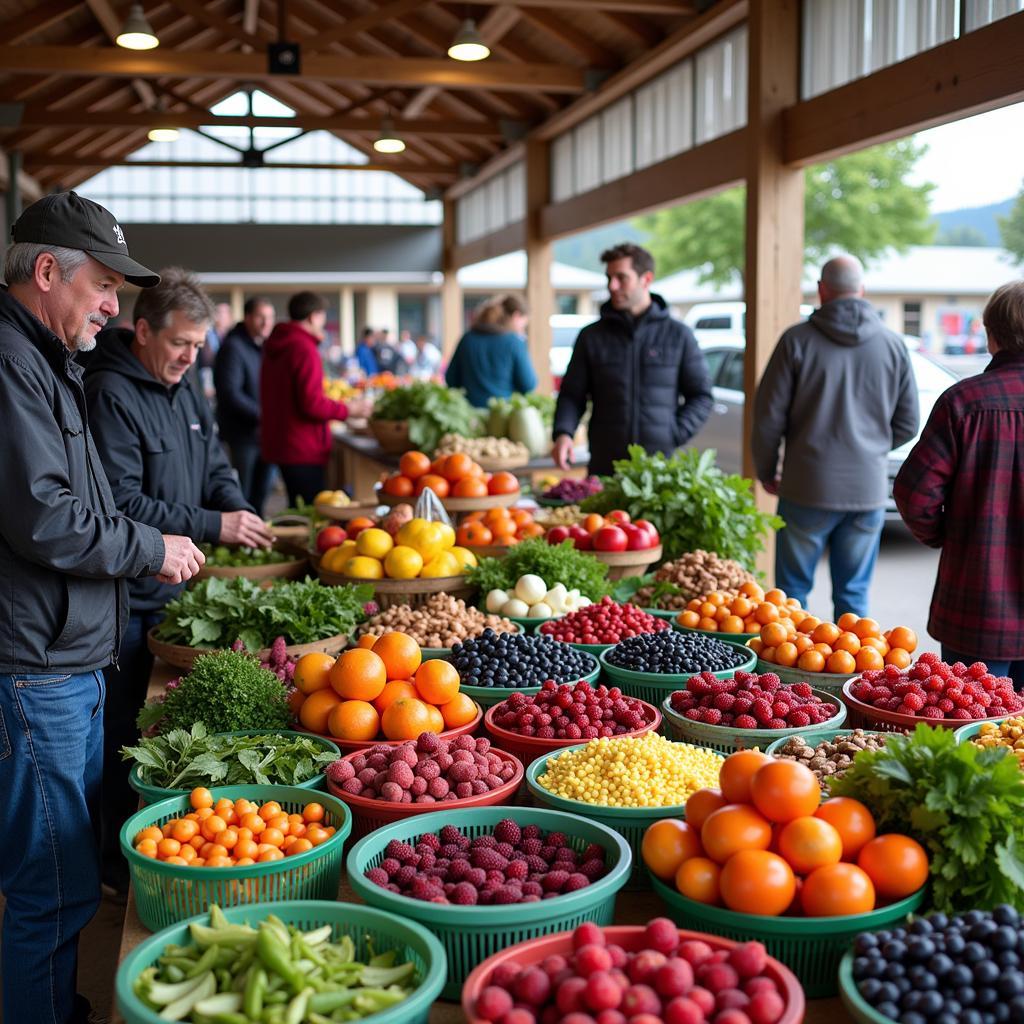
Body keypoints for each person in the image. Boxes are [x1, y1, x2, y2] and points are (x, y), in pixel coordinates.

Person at [0, 191, 205, 1024]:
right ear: (47, 272)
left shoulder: (46, 360)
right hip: (33, 668)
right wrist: (151, 547)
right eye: (105, 287)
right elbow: (47, 516)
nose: (117, 307)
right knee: (49, 890)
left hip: (68, 656)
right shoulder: (9, 365)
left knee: (66, 878)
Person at [85, 267, 271, 895]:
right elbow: (122, 503)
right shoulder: (111, 392)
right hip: (127, 599)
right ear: (142, 330)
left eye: (199, 347)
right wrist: (215, 522)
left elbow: (215, 462)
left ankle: (136, 845)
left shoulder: (187, 386)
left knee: (152, 734)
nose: (191, 358)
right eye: (179, 344)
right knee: (122, 737)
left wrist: (236, 509)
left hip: (179, 593)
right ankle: (112, 870)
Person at [753, 254, 919, 619]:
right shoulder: (893, 345)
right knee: (854, 597)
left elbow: (768, 418)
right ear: (862, 290)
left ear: (821, 291)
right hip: (866, 491)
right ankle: (850, 676)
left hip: (806, 486)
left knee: (792, 598)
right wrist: (870, 448)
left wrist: (766, 470)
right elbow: (908, 423)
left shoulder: (795, 341)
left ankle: (791, 676)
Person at [895, 281, 1024, 689]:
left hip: (979, 607)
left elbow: (914, 495)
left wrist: (952, 536)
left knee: (972, 738)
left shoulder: (963, 403)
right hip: (980, 611)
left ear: (990, 335)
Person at [552, 243, 712, 476]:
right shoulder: (591, 336)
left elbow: (701, 396)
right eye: (609, 278)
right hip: (605, 466)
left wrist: (673, 433)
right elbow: (571, 395)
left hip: (658, 469)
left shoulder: (678, 335)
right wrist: (564, 433)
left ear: (646, 279)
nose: (612, 286)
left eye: (621, 278)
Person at [261, 291, 371, 504]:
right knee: (311, 513)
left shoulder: (278, 344)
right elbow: (312, 404)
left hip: (282, 442)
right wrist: (350, 410)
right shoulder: (303, 348)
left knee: (296, 506)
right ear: (313, 316)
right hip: (303, 447)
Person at [214, 296, 276, 513]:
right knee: (243, 496)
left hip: (265, 433)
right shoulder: (233, 347)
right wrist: (264, 415)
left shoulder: (264, 347)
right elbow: (230, 393)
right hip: (243, 435)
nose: (266, 322)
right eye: (261, 317)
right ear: (248, 318)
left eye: (270, 317)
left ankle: (257, 537)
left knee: (262, 494)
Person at [446, 294, 537, 408]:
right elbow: (528, 384)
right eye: (524, 324)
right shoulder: (513, 342)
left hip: (469, 415)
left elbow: (451, 379)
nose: (523, 329)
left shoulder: (467, 339)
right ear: (516, 316)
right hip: (502, 415)